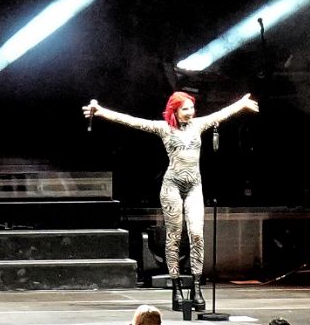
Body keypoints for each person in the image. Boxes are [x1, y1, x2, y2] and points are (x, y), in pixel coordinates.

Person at [84, 90, 258, 286]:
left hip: (194, 186)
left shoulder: (198, 125)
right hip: (172, 186)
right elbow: (131, 121)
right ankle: (175, 284)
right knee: (174, 236)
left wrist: (241, 104)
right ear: (175, 110)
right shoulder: (164, 128)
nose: (190, 112)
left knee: (197, 235)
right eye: (185, 109)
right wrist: (101, 111)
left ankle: (196, 285)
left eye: (192, 108)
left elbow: (221, 114)